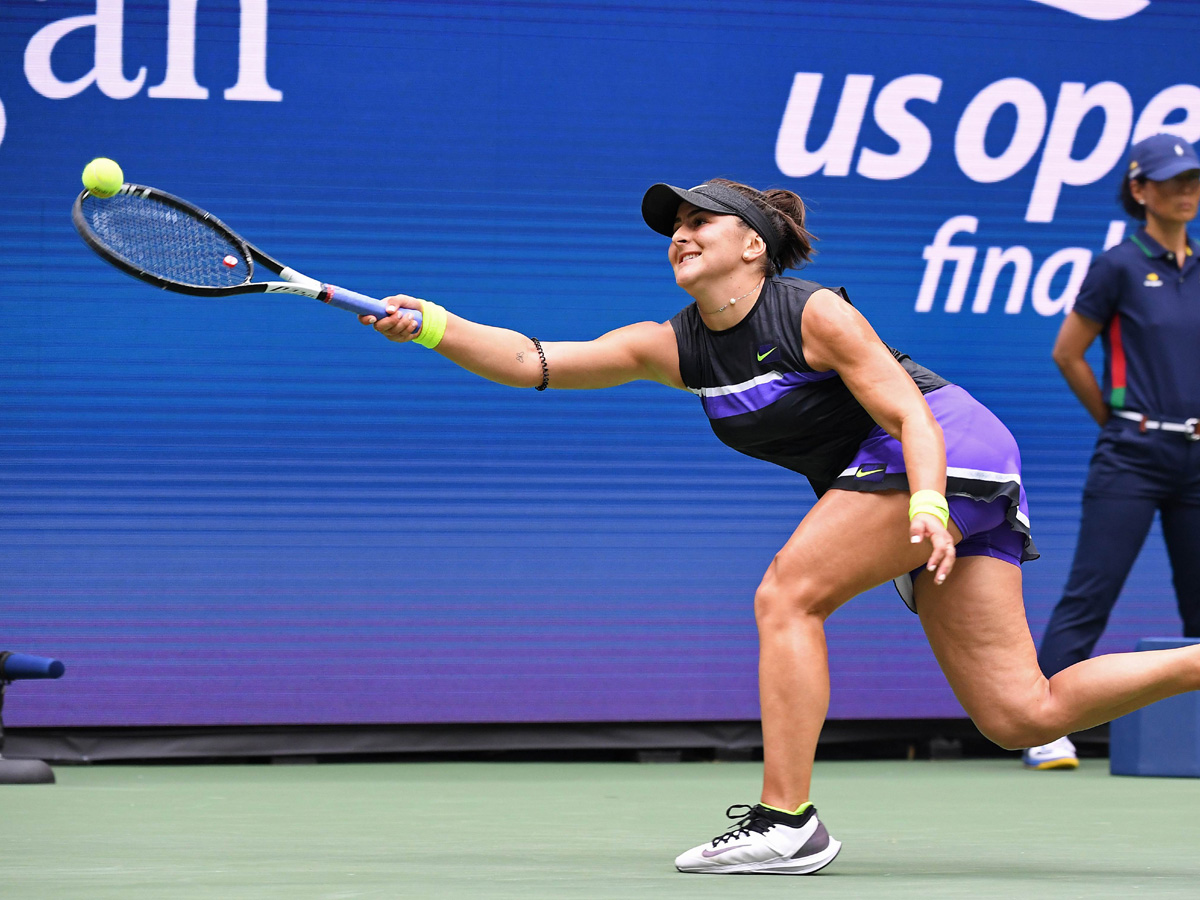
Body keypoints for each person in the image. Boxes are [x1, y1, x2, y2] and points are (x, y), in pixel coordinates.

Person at [361, 177, 1200, 875]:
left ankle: (786, 820)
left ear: (753, 245)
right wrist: (432, 325)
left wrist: (929, 502)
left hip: (946, 448)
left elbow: (909, 412)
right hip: (911, 475)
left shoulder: (811, 314)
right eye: (673, 228)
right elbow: (531, 360)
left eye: (700, 222)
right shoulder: (669, 346)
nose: (680, 236)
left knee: (787, 593)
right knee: (1021, 715)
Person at [1023, 134, 1200, 772]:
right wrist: (1118, 421)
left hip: (1198, 460)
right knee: (1091, 591)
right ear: (1140, 191)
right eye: (1172, 179)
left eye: (1194, 179)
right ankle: (1038, 724)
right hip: (1132, 453)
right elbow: (1068, 352)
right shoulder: (1118, 266)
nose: (1187, 190)